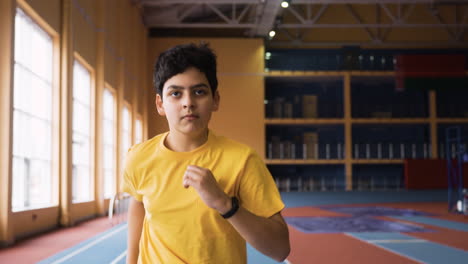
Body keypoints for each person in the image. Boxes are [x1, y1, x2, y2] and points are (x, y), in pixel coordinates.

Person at [122, 42, 290, 264]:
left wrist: (225, 204)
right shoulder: (138, 157)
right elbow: (139, 204)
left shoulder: (242, 160)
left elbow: (279, 249)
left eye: (199, 92)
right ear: (160, 104)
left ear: (215, 100)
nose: (188, 103)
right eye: (176, 93)